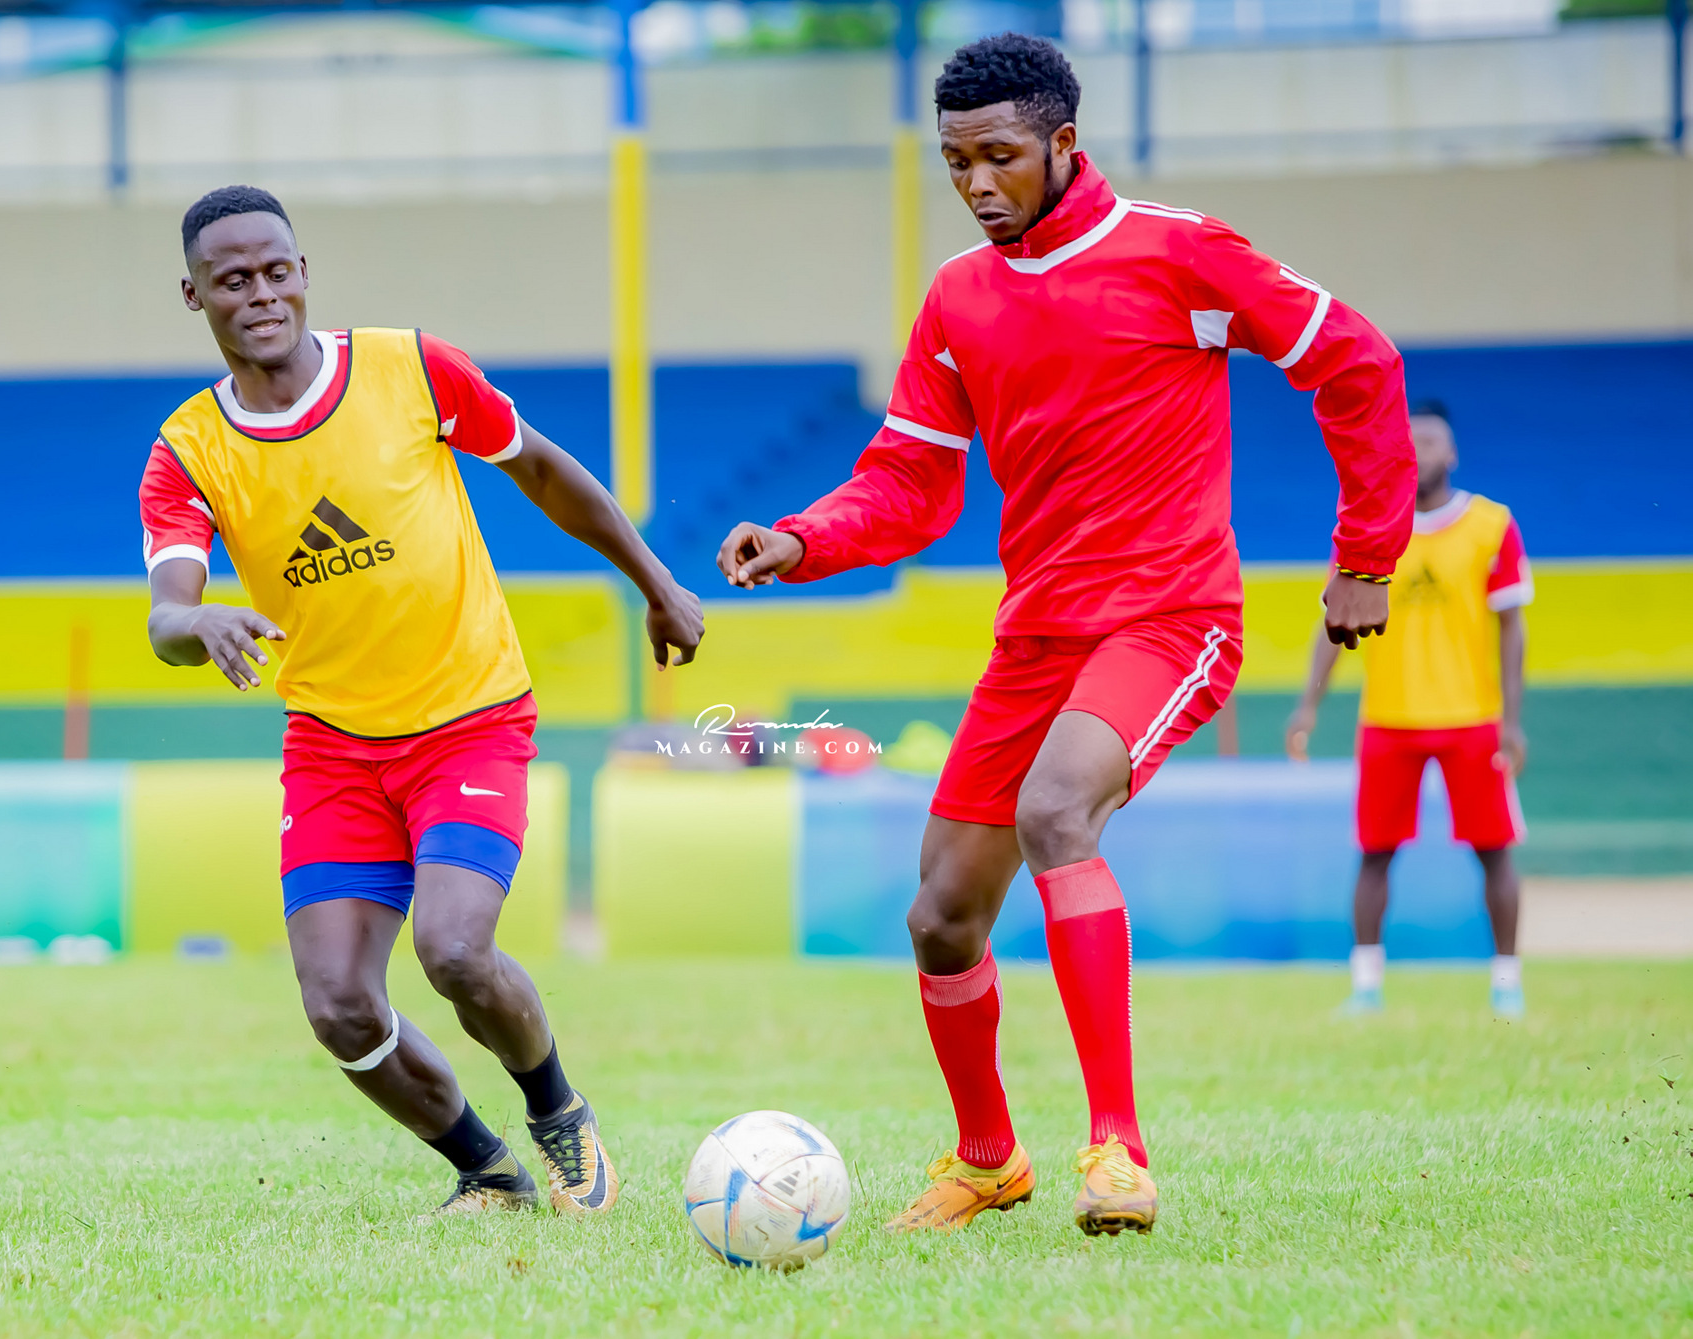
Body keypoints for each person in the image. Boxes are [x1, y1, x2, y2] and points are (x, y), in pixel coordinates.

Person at [718, 35, 1415, 1236]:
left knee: (1055, 812)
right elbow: (909, 482)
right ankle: (988, 1158)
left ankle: (1116, 1152)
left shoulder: (1177, 251)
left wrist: (1363, 557)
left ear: (1062, 146)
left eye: (997, 156)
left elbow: (1355, 362)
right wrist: (800, 539)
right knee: (939, 913)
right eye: (953, 163)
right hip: (1036, 635)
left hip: (1167, 615)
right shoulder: (957, 299)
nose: (977, 183)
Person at [139, 186, 704, 1216]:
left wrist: (654, 582)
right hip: (334, 747)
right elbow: (166, 613)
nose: (261, 293)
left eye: (277, 270)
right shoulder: (188, 451)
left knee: (452, 948)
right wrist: (202, 624)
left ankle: (556, 1110)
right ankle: (486, 1169)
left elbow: (538, 467)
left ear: (304, 272)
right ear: (194, 295)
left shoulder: (409, 368)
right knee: (340, 1006)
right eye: (233, 280)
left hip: (469, 717)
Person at [1287, 400, 1532, 1018]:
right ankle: (1366, 986)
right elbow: (1332, 619)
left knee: (1494, 850)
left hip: (1472, 718)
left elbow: (1513, 627)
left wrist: (1511, 717)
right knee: (1375, 852)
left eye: (1431, 442)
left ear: (1452, 453)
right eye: (1410, 441)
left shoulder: (1491, 524)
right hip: (1388, 720)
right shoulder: (1369, 528)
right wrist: (1308, 705)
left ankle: (1507, 984)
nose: (1420, 451)